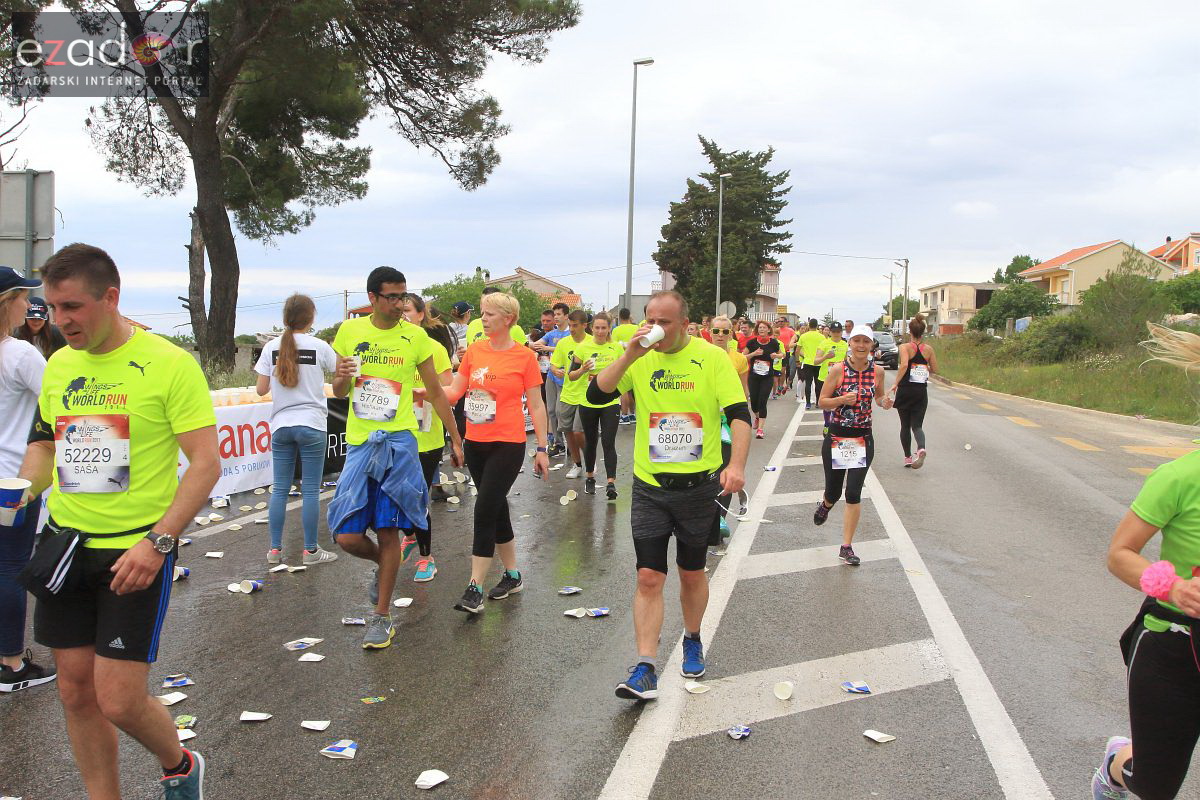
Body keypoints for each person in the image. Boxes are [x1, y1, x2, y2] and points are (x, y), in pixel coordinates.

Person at [15, 244, 220, 797]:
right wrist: (19, 490)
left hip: (135, 550)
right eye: (53, 308)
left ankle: (179, 763)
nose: (60, 320)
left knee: (119, 699)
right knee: (76, 693)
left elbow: (206, 465)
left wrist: (159, 543)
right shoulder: (59, 364)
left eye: (72, 307)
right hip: (65, 546)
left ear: (111, 297)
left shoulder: (169, 363)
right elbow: (44, 446)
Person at [589, 291, 749, 700]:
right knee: (648, 576)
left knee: (691, 572)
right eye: (651, 319)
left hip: (699, 488)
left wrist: (737, 467)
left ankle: (692, 637)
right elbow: (597, 394)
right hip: (650, 486)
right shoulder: (640, 358)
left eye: (666, 321)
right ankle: (645, 666)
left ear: (685, 323)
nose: (656, 327)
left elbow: (740, 416)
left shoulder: (711, 358)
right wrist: (628, 356)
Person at [1090, 323, 1200, 800]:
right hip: (1173, 645)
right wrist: (1173, 587)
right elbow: (1120, 555)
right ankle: (1117, 763)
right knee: (1155, 785)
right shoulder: (1179, 476)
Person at [327, 267, 464, 649]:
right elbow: (339, 390)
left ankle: (381, 616)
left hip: (400, 443)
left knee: (388, 530)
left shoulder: (415, 336)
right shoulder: (350, 333)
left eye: (404, 296)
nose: (400, 304)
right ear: (372, 297)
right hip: (360, 443)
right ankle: (382, 565)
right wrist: (340, 375)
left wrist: (455, 438)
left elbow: (436, 392)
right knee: (347, 536)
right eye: (392, 297)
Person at [446, 291, 550, 614]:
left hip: (508, 443)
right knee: (496, 507)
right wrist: (427, 391)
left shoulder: (524, 357)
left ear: (508, 319)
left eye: (489, 314)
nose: (483, 319)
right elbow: (454, 391)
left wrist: (542, 448)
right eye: (481, 313)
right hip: (476, 440)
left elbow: (536, 404)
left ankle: (474, 586)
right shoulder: (474, 351)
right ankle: (513, 575)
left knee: (484, 506)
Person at [254, 294, 339, 567]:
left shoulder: (270, 348)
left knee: (280, 489)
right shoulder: (320, 346)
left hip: (281, 425)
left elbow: (260, 389)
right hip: (312, 423)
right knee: (311, 490)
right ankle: (310, 550)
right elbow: (341, 372)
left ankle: (275, 550)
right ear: (311, 318)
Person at [0, 268, 54, 694]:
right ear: (8, 302)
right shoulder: (20, 354)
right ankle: (12, 663)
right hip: (15, 477)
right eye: (24, 297)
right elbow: (61, 403)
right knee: (11, 568)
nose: (30, 305)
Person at [813, 325, 891, 567]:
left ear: (871, 346)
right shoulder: (837, 370)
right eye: (856, 340)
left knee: (853, 493)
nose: (860, 345)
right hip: (838, 437)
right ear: (850, 343)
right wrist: (841, 400)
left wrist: (884, 401)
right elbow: (822, 401)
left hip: (862, 438)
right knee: (834, 492)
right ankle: (826, 504)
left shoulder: (878, 372)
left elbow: (878, 397)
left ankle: (846, 546)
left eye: (865, 342)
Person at [401, 292, 455, 582]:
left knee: (417, 499)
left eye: (408, 310)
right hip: (396, 434)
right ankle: (409, 535)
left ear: (421, 314)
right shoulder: (391, 347)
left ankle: (426, 558)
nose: (403, 315)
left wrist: (425, 394)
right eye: (399, 310)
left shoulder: (435, 348)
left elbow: (448, 390)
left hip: (427, 434)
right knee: (395, 495)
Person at [568, 312, 623, 499]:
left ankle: (611, 483)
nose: (600, 331)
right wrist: (583, 369)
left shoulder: (616, 348)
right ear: (592, 328)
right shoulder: (583, 348)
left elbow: (625, 373)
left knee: (608, 441)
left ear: (609, 328)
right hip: (587, 401)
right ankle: (590, 477)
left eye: (604, 328)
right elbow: (571, 375)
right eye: (597, 328)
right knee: (591, 441)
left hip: (611, 401)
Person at [708, 315, 750, 542]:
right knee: (707, 470)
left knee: (726, 467)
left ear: (732, 334)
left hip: (726, 422)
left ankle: (720, 518)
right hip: (705, 421)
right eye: (717, 331)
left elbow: (743, 391)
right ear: (709, 332)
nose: (721, 336)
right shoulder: (701, 356)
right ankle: (705, 516)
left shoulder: (739, 359)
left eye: (725, 332)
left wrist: (737, 416)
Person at [889, 314, 938, 469]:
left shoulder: (904, 347)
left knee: (904, 425)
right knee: (917, 426)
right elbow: (935, 369)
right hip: (920, 391)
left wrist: (895, 383)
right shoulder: (928, 349)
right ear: (923, 332)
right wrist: (925, 367)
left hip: (905, 390)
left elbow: (903, 366)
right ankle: (921, 448)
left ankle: (908, 457)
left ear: (910, 331)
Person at [549, 309, 592, 477]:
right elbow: (554, 364)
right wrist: (555, 370)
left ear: (584, 325)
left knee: (578, 431)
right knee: (567, 430)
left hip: (586, 395)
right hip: (567, 393)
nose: (572, 329)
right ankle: (577, 464)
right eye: (570, 325)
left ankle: (590, 458)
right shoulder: (563, 343)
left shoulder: (592, 342)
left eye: (575, 326)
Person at [531, 301, 571, 454]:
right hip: (551, 376)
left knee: (563, 412)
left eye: (559, 314)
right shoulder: (551, 334)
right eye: (555, 315)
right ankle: (558, 443)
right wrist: (531, 344)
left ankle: (570, 441)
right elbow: (536, 344)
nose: (556, 317)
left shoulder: (570, 333)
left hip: (567, 377)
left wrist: (548, 348)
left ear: (566, 316)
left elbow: (569, 348)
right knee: (551, 410)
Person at [744, 320, 783, 439]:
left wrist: (776, 356)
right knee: (754, 402)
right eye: (760, 328)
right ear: (757, 330)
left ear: (768, 330)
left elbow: (782, 354)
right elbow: (742, 357)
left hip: (767, 376)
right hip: (753, 376)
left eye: (764, 328)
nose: (761, 330)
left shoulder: (774, 343)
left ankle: (760, 429)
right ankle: (756, 416)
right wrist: (754, 354)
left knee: (762, 401)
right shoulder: (751, 343)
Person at [815, 322, 848, 430]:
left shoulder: (845, 344)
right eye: (834, 331)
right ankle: (827, 424)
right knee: (827, 404)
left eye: (838, 331)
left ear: (841, 332)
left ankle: (835, 425)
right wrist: (826, 357)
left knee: (839, 403)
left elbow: (848, 360)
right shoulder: (824, 343)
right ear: (830, 332)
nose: (836, 334)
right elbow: (815, 361)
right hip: (825, 378)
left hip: (841, 379)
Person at [610, 308, 639, 424]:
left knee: (624, 390)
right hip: (636, 360)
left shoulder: (616, 330)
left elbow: (614, 346)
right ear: (629, 316)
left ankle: (625, 415)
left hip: (623, 361)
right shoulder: (636, 328)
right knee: (632, 390)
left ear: (620, 317)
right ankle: (632, 414)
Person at [796, 318, 824, 410]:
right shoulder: (821, 336)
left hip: (807, 362)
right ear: (816, 326)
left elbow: (797, 350)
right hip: (819, 362)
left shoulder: (803, 336)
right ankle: (817, 402)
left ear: (809, 325)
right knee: (818, 383)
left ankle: (808, 403)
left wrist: (797, 361)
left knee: (808, 383)